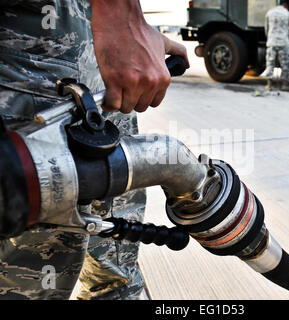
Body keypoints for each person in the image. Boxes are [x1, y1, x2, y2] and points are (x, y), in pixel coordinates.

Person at [0, 0, 188, 300]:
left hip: (95, 69)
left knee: (116, 268)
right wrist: (120, 18)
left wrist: (112, 29)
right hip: (30, 59)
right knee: (28, 282)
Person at [262, 1, 289, 91]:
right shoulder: (288, 14)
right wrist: (288, 39)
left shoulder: (270, 12)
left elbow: (266, 28)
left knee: (270, 63)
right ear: (286, 7)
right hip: (284, 42)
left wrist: (270, 38)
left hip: (272, 41)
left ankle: (269, 84)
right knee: (285, 64)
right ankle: (284, 84)